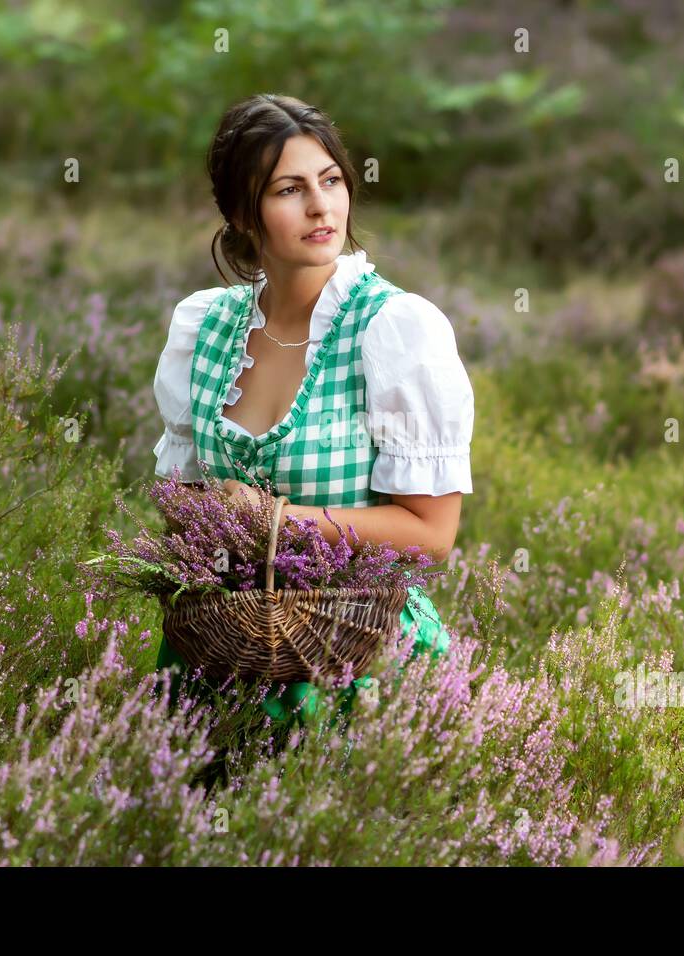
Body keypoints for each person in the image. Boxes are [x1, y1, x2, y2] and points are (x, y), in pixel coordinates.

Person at [152, 93, 474, 729]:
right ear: (244, 213)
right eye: (289, 189)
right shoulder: (204, 327)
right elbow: (179, 503)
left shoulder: (394, 331)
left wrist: (273, 520)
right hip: (224, 655)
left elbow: (433, 536)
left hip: (358, 657)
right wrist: (201, 519)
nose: (321, 206)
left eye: (331, 181)